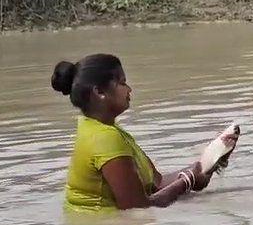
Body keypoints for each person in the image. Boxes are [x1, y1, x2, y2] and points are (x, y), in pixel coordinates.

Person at [51, 53, 237, 210]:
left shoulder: (108, 130)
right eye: (122, 83)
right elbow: (138, 209)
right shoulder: (105, 138)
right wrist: (188, 180)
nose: (129, 89)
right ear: (99, 92)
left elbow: (158, 184)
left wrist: (206, 164)